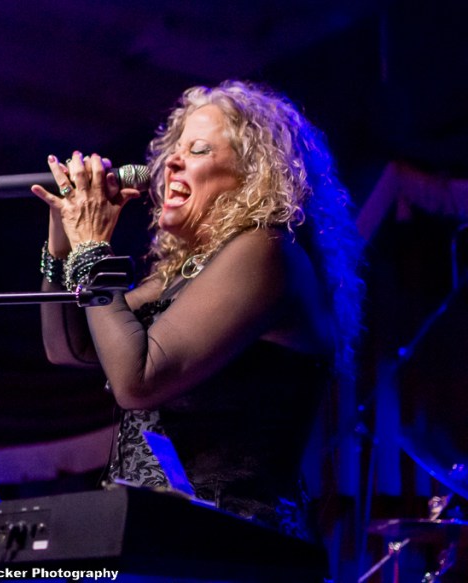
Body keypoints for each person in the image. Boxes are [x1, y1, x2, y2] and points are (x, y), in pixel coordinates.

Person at [31, 80, 363, 539]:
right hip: (167, 535)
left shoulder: (266, 252)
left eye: (199, 149)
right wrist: (63, 234)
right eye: (175, 148)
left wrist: (92, 247)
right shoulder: (179, 273)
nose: (171, 161)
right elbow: (70, 346)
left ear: (255, 173)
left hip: (239, 541)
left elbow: (136, 381)